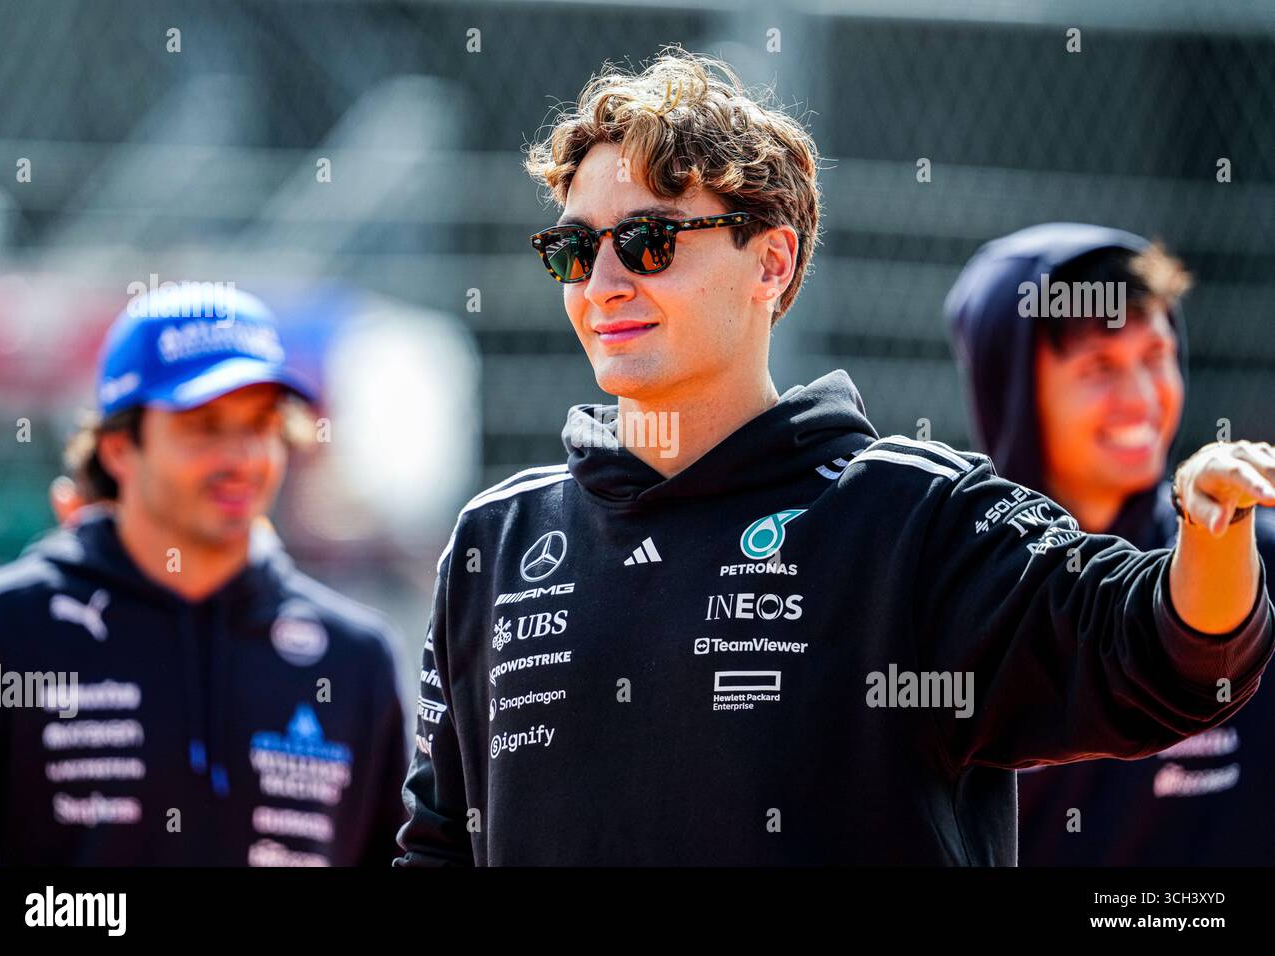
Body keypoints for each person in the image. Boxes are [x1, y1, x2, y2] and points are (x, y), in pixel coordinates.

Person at [394, 47, 1275, 866]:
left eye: (649, 241)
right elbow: (435, 847)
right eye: (574, 250)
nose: (603, 284)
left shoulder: (910, 516)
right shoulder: (496, 541)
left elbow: (1153, 653)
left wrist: (1211, 536)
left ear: (771, 263)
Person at [0, 284, 407, 865]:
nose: (242, 458)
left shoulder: (356, 658)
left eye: (261, 424)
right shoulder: (2, 632)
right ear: (119, 448)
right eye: (204, 425)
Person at [945, 222, 1275, 864]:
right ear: (1013, 391)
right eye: (1099, 367)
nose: (1141, 398)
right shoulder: (958, 590)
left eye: (1155, 356)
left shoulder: (1254, 552)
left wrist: (1217, 545)